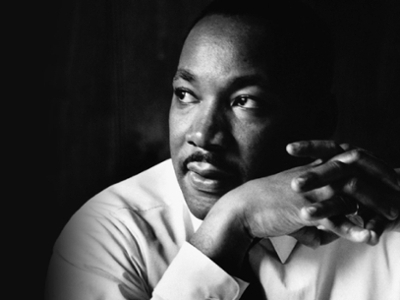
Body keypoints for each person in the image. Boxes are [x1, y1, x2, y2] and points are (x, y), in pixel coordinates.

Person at [45, 0, 400, 299]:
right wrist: (230, 226)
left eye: (244, 101)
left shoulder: (383, 228)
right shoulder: (113, 233)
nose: (201, 133)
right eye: (185, 94)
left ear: (320, 120)